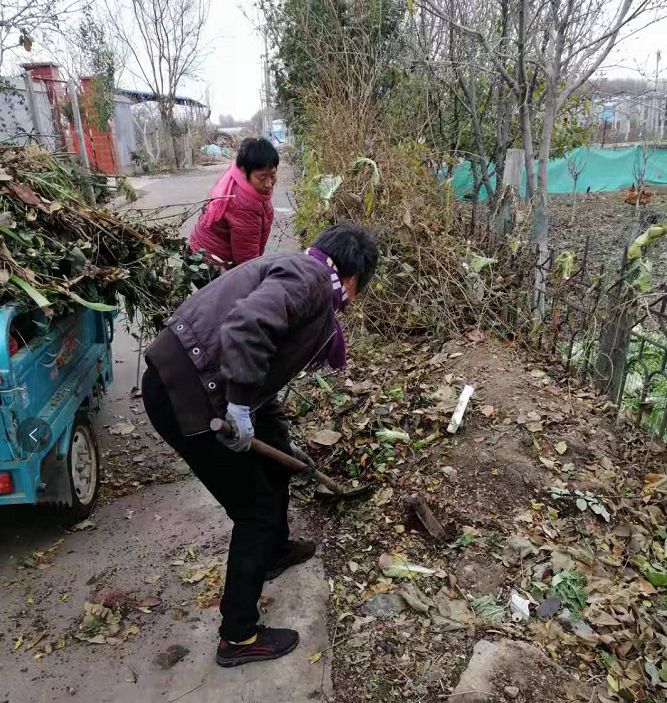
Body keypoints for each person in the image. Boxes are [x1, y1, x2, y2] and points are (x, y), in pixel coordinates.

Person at [142, 222, 379, 668]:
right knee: (255, 512)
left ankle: (274, 551)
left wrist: (284, 448)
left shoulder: (298, 270)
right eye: (359, 288)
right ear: (351, 278)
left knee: (275, 471)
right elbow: (246, 329)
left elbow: (264, 378)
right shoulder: (310, 281)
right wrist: (238, 406)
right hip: (187, 395)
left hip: (187, 381)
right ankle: (238, 636)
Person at [189, 137, 279, 268]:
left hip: (202, 253)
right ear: (244, 171)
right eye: (262, 177)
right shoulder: (243, 202)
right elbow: (246, 260)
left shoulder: (247, 185)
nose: (269, 184)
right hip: (208, 264)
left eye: (272, 175)